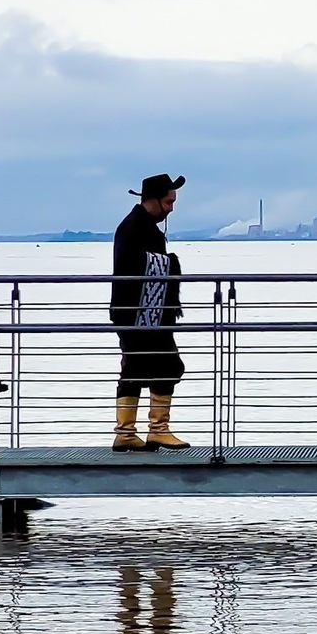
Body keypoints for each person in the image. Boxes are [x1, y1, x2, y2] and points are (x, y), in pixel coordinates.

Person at [110, 173, 189, 452]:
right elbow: (135, 266)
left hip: (141, 312)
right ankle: (151, 430)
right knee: (159, 367)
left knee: (146, 367)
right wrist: (172, 264)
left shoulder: (138, 226)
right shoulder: (135, 228)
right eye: (168, 202)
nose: (171, 208)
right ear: (152, 200)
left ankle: (131, 432)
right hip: (140, 313)